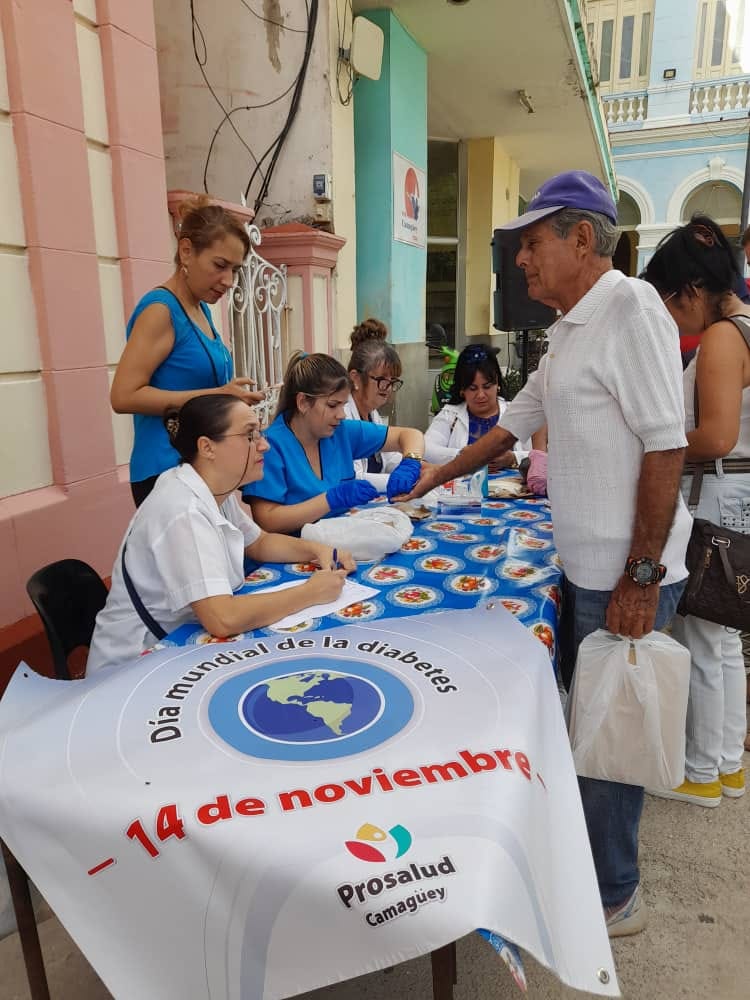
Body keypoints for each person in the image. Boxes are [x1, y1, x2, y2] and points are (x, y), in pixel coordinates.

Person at [402, 170, 692, 937]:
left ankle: (616, 894)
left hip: (625, 574)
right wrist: (434, 476)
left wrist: (640, 574)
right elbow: (511, 425)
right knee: (587, 727)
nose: (521, 262)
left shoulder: (629, 309)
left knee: (610, 740)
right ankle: (594, 867)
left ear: (582, 239)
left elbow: (667, 445)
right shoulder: (568, 331)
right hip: (584, 569)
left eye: (532, 244)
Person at [87, 395, 354, 673]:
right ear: (207, 447)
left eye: (260, 433)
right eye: (250, 435)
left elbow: (259, 543)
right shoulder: (183, 509)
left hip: (179, 647)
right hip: (134, 668)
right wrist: (310, 592)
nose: (264, 445)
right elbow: (222, 618)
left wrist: (317, 550)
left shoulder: (213, 487)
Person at [642, 215, 750, 806]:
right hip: (733, 495)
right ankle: (726, 763)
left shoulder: (721, 335)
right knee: (723, 634)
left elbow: (717, 436)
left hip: (714, 493)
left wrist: (657, 448)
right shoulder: (745, 325)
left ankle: (702, 770)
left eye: (668, 300)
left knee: (702, 634)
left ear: (689, 291)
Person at [110, 195, 265, 507]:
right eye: (220, 266)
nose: (228, 281)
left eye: (234, 270)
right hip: (164, 471)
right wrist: (216, 394)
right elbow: (123, 396)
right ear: (186, 251)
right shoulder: (160, 310)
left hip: (197, 469)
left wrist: (228, 399)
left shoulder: (198, 308)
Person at [242, 352, 425, 534]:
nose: (342, 415)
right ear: (303, 402)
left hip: (338, 543)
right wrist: (330, 500)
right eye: (332, 405)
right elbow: (267, 520)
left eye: (343, 405)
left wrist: (411, 461)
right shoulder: (270, 445)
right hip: (293, 555)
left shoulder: (340, 432)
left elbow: (410, 435)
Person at [424, 342, 548, 488]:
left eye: (487, 386)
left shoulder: (516, 413)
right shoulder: (450, 415)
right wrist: (467, 456)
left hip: (513, 498)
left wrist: (513, 458)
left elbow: (542, 455)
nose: (481, 395)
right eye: (473, 388)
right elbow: (426, 449)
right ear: (462, 390)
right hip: (463, 497)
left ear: (498, 384)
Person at [344, 318, 403, 492]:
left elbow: (390, 458)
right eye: (381, 380)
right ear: (355, 378)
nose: (388, 388)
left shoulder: (372, 414)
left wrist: (418, 467)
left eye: (392, 381)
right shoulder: (343, 416)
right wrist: (396, 480)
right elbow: (354, 476)